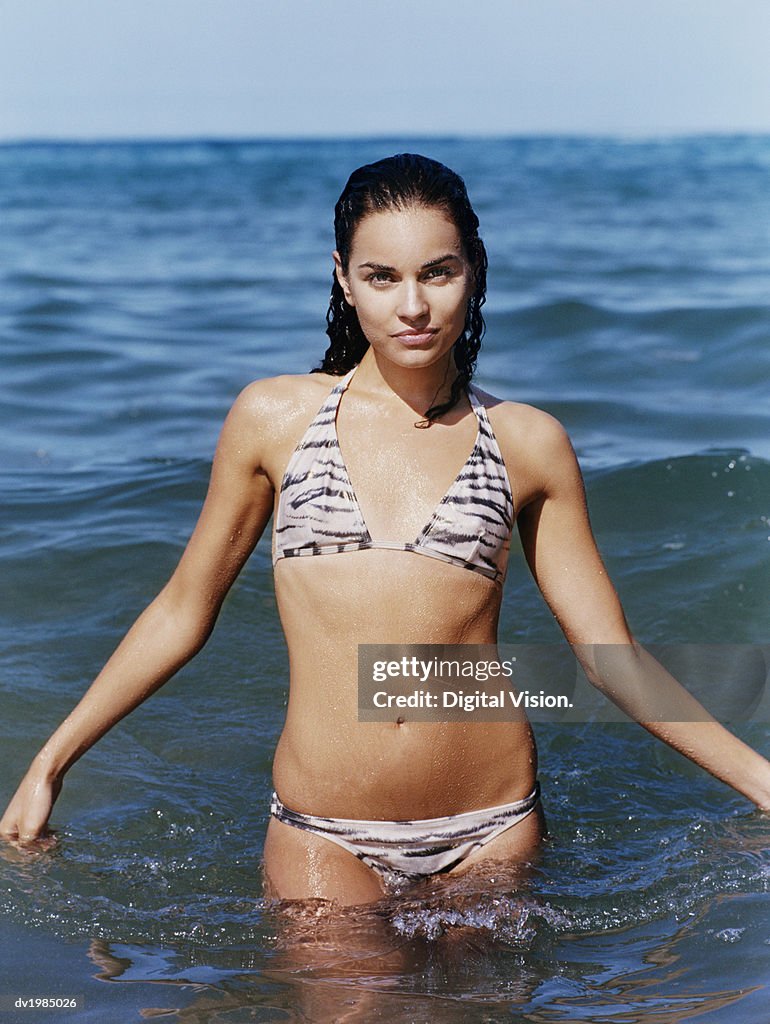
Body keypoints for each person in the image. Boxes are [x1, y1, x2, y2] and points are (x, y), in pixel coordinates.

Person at [2, 154, 769, 907]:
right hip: (323, 832)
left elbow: (610, 659)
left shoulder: (527, 442)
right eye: (382, 277)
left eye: (438, 272)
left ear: (474, 269)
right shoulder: (275, 419)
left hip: (492, 828)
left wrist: (762, 784)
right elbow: (181, 612)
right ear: (343, 277)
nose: (413, 306)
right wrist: (49, 765)